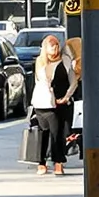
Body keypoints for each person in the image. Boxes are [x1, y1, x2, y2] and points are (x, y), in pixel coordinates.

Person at [29, 32, 74, 178]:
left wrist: (66, 97)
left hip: (59, 104)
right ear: (45, 48)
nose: (54, 49)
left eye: (56, 46)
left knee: (57, 134)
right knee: (43, 133)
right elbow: (43, 81)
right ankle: (41, 162)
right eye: (51, 46)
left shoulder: (65, 61)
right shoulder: (40, 62)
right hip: (42, 103)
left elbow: (73, 81)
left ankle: (58, 162)